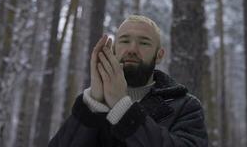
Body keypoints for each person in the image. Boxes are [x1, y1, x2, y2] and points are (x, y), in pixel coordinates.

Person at [48, 15, 208, 147]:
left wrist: (122, 108)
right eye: (124, 41)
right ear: (113, 50)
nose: (132, 49)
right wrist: (93, 104)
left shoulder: (186, 106)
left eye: (144, 43)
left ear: (159, 55)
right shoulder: (92, 104)